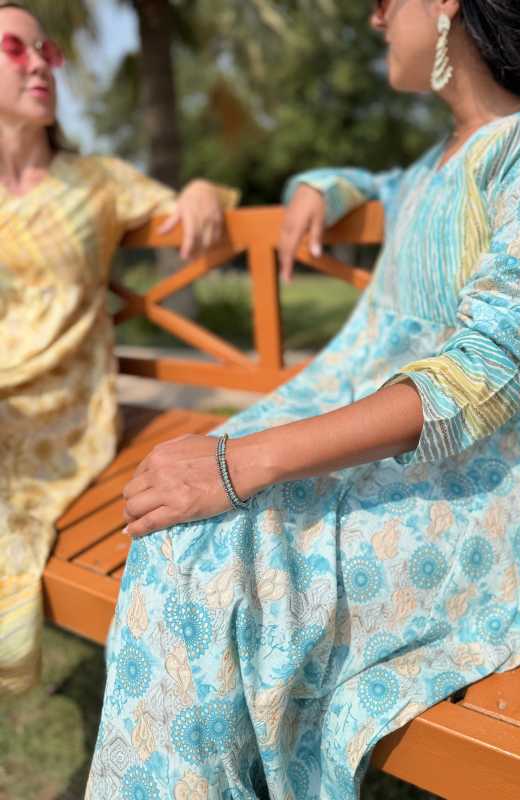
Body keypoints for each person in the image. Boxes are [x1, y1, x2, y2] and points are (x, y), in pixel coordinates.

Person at [87, 0, 520, 798]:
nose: (373, 19)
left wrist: (241, 460)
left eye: (386, 2)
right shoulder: (439, 161)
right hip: (397, 455)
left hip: (503, 491)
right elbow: (376, 184)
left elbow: (489, 371)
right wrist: (320, 185)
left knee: (206, 548)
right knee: (186, 535)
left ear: (445, 6)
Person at [0, 1, 240, 696]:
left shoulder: (96, 181)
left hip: (62, 415)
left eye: (46, 49)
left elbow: (178, 205)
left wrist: (197, 190)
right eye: (16, 50)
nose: (41, 61)